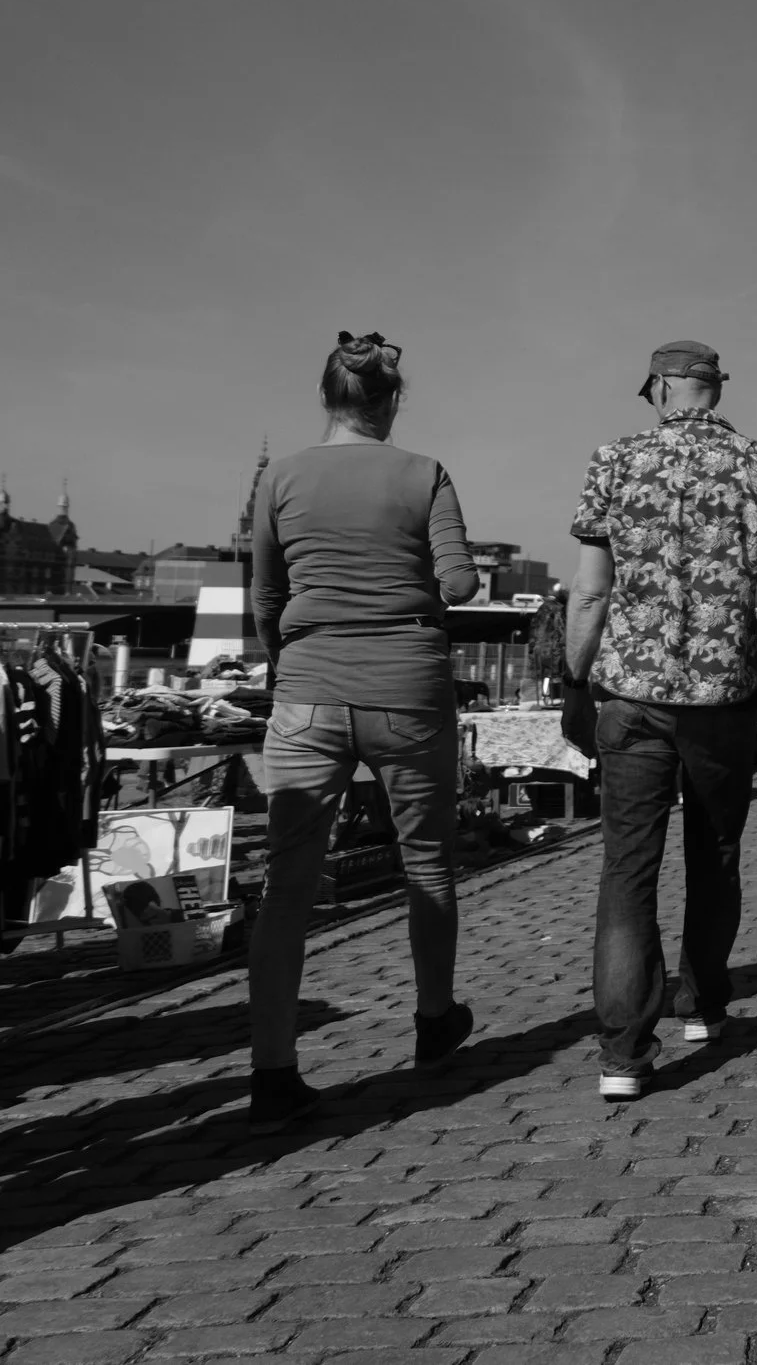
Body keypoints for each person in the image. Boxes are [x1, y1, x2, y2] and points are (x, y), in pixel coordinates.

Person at [243, 331, 480, 1129]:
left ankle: (273, 1069)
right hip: (407, 688)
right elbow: (460, 579)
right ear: (391, 402)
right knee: (428, 863)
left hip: (309, 684)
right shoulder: (425, 473)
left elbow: (265, 599)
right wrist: (436, 574)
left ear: (328, 398)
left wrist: (291, 662)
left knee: (288, 885)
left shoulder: (280, 476)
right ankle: (434, 1020)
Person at [561, 340, 757, 1103]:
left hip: (632, 696)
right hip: (723, 699)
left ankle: (623, 1053)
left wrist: (576, 678)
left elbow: (592, 590)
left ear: (664, 388)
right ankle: (701, 1003)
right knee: (715, 855)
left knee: (627, 875)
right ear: (712, 389)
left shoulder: (613, 459)